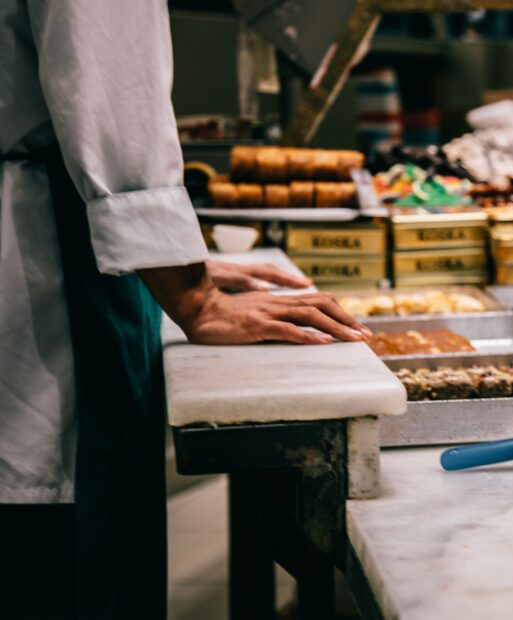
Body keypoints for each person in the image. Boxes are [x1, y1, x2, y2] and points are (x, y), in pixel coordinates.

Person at [0, 1, 372, 618]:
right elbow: (112, 84)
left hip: (49, 220)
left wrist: (175, 258)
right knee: (58, 570)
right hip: (37, 260)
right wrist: (192, 295)